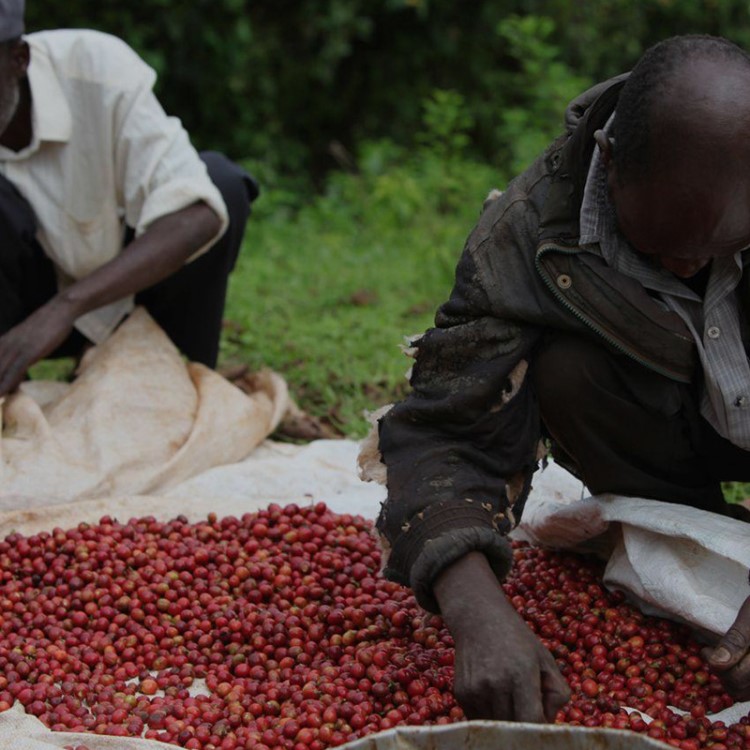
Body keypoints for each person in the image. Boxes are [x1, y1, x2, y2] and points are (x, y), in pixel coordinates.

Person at [373, 34, 750, 723]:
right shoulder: (527, 231)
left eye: (719, 242)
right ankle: (685, 531)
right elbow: (444, 430)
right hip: (669, 428)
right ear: (610, 164)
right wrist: (475, 608)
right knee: (563, 367)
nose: (694, 263)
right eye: (663, 242)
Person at [0, 0, 258, 396]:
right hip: (23, 325)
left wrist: (66, 307)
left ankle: (172, 379)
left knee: (221, 183)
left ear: (19, 59)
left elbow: (198, 214)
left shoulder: (95, 69)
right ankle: (11, 389)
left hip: (129, 296)